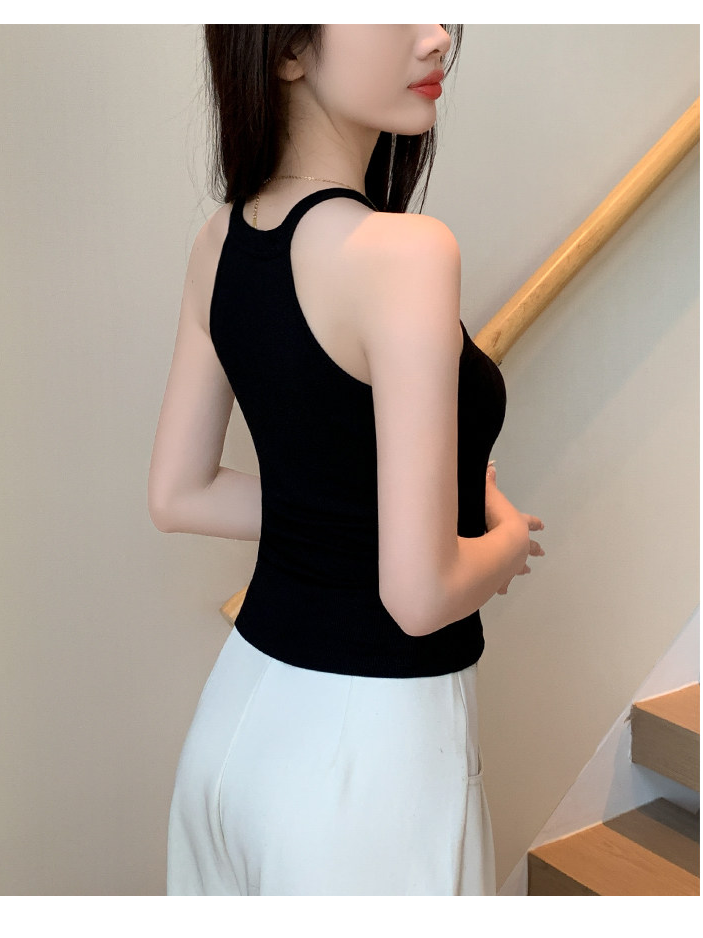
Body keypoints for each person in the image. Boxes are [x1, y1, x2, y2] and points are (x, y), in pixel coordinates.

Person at [148, 24, 544, 896]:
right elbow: (419, 596)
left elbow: (180, 493)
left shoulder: (221, 240)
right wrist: (508, 541)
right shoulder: (405, 252)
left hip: (234, 732)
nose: (436, 36)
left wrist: (384, 516)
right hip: (368, 759)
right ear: (287, 51)